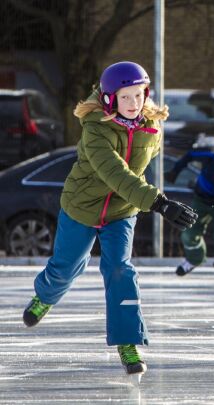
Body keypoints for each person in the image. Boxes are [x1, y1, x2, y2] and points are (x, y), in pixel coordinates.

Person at [22, 61, 198, 377]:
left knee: (120, 269)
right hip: (82, 206)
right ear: (109, 99)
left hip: (121, 212)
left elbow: (145, 163)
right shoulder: (95, 129)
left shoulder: (152, 127)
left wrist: (151, 194)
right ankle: (45, 297)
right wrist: (159, 203)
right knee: (65, 268)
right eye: (125, 97)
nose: (133, 104)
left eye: (138, 95)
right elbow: (116, 173)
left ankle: (128, 342)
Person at [165, 138, 214, 286]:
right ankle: (195, 258)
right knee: (189, 231)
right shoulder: (208, 159)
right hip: (200, 201)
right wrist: (175, 171)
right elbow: (189, 155)